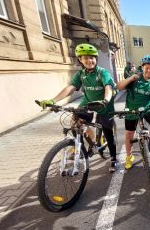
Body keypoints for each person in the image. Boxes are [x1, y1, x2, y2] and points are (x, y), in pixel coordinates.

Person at [39, 43, 118, 172]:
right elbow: (70, 88)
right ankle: (90, 145)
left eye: (92, 57)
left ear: (96, 59)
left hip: (104, 105)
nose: (89, 60)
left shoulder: (102, 72)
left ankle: (114, 158)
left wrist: (106, 100)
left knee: (108, 133)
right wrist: (53, 100)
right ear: (80, 60)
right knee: (75, 123)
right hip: (87, 103)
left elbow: (108, 87)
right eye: (85, 58)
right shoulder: (81, 74)